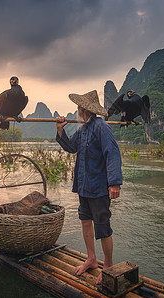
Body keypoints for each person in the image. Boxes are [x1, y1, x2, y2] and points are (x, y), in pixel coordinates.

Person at [55, 90, 122, 285]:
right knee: (85, 221)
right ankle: (92, 259)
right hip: (84, 186)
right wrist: (60, 130)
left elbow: (112, 153)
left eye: (78, 106)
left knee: (103, 227)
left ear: (83, 109)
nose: (76, 109)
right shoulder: (83, 129)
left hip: (99, 187)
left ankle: (107, 266)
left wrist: (114, 183)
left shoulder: (101, 127)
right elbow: (70, 147)